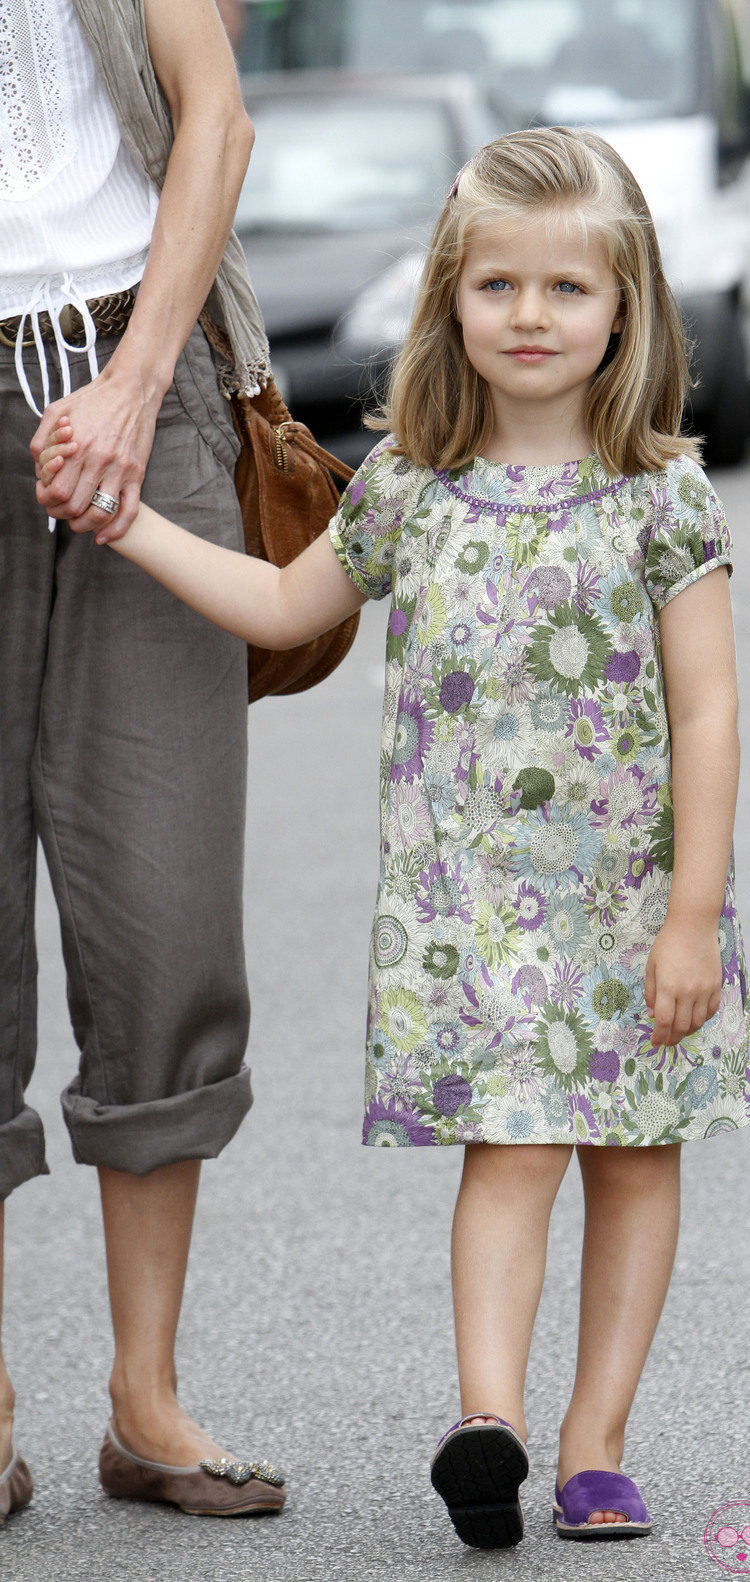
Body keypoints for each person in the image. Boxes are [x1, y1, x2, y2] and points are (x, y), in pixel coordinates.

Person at [39, 126, 750, 1546]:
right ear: (450, 302)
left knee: (632, 1157)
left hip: (633, 905)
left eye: (568, 289)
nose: (533, 317)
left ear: (627, 304)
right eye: (499, 287)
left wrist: (694, 913)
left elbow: (713, 714)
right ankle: (485, 1420)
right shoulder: (409, 488)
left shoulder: (662, 495)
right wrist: (125, 520)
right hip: (479, 917)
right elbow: (279, 608)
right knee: (507, 1151)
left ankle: (595, 1439)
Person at [2, 0, 286, 1523]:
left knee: (167, 904)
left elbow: (214, 117)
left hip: (138, 377)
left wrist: (132, 380)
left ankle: (146, 1395)